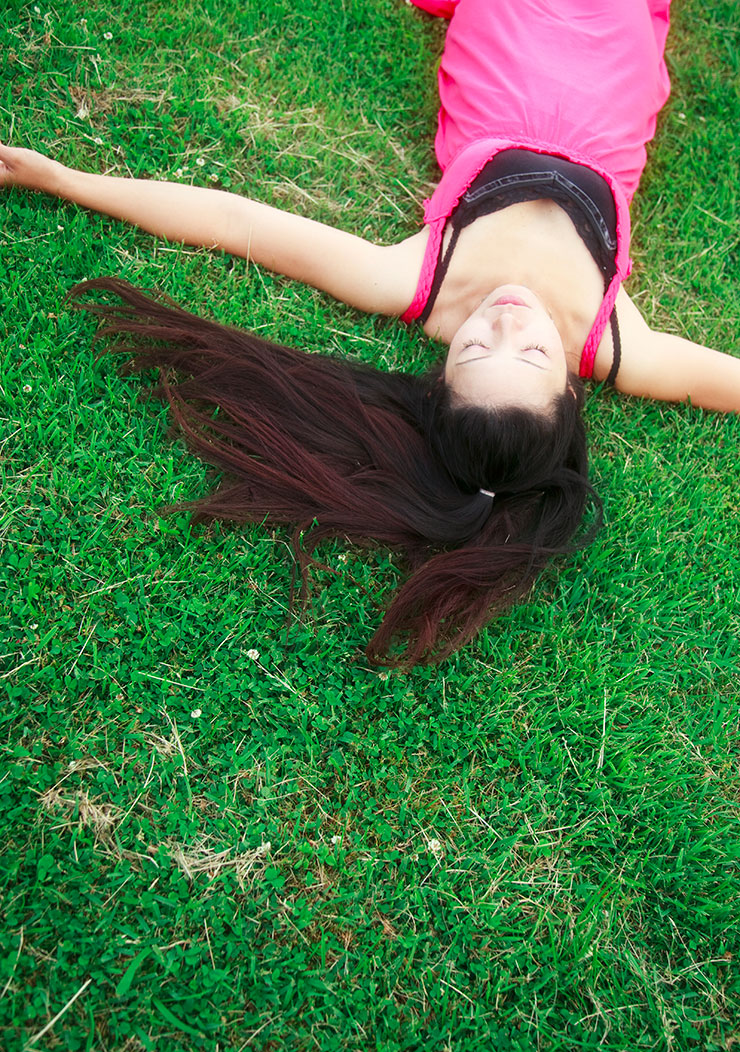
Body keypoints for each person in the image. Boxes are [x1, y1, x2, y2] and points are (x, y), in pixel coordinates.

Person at [2, 0, 738, 665]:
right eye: (535, 352)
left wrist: (66, 181)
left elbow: (239, 225)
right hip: (614, 62)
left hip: (504, 39)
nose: (506, 321)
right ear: (573, 386)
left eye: (476, 349)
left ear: (439, 372)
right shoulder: (614, 342)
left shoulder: (421, 284)